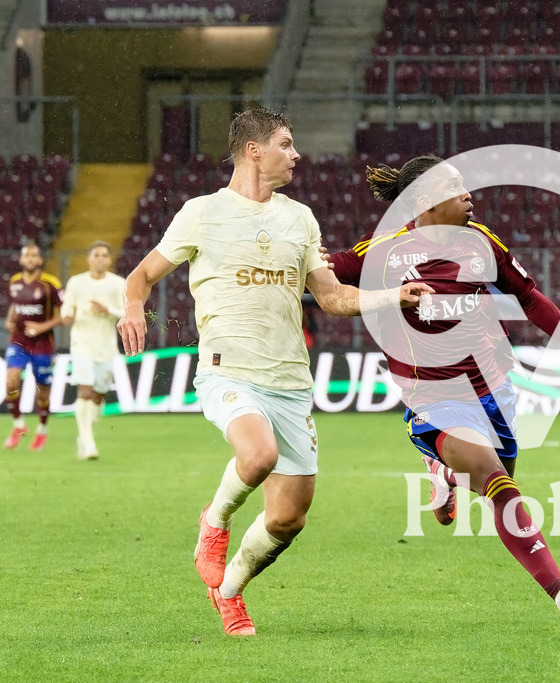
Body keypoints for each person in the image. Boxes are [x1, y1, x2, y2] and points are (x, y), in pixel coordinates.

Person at [117, 107, 430, 637]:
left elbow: (331, 297)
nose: (296, 154)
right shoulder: (201, 213)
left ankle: (231, 592)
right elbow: (143, 274)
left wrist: (391, 296)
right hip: (227, 369)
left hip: (290, 381)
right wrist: (131, 307)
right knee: (257, 454)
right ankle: (213, 526)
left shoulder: (299, 218)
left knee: (289, 518)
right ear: (253, 150)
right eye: (286, 143)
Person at [327, 154, 560, 634]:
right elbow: (321, 271)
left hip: (494, 388)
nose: (470, 194)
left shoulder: (483, 243)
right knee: (497, 480)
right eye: (456, 187)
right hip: (434, 397)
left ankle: (444, 471)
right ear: (426, 200)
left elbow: (531, 299)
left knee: (496, 482)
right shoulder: (384, 253)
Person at [60, 240, 125, 460]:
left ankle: (85, 434)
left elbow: (125, 313)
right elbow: (67, 306)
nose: (100, 259)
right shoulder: (76, 282)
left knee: (98, 395)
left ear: (109, 259)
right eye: (96, 255)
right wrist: (67, 315)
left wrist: (107, 309)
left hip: (106, 346)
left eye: (104, 255)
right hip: (82, 344)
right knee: (85, 391)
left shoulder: (117, 284)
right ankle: (88, 444)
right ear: (89, 258)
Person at [4, 241, 63, 451]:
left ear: (39, 260)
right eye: (26, 255)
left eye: (34, 255)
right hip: (19, 340)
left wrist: (41, 328)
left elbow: (64, 315)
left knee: (43, 393)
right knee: (10, 383)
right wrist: (9, 320)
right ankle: (19, 426)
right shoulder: (14, 281)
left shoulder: (50, 283)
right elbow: (15, 306)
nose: (30, 259)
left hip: (43, 344)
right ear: (21, 260)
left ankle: (42, 431)